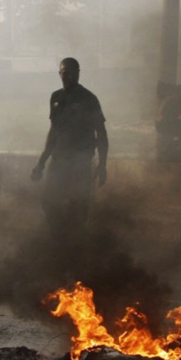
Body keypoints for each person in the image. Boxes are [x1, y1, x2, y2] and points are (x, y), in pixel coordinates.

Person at [31, 58, 108, 233]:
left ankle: (75, 246)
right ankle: (59, 239)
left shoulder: (89, 99)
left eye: (72, 73)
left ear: (79, 73)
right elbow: (53, 132)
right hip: (58, 160)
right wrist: (41, 163)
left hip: (80, 162)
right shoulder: (56, 97)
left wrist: (102, 164)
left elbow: (101, 133)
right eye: (65, 73)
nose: (69, 77)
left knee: (79, 207)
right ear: (60, 74)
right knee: (49, 203)